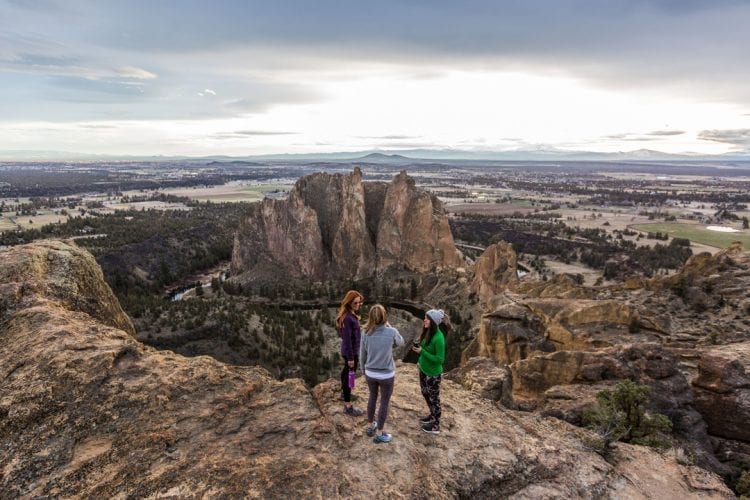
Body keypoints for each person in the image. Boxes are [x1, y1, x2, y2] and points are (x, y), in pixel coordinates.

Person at [359, 304, 404, 444]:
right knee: (384, 401)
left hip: (370, 372)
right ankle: (379, 434)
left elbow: (362, 355)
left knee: (372, 397)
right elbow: (401, 343)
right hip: (386, 375)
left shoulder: (365, 332)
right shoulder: (391, 332)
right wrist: (389, 328)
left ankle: (370, 425)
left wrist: (363, 370)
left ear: (371, 317)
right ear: (385, 317)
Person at [412, 308, 446, 434]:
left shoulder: (439, 338)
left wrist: (422, 352)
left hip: (433, 374)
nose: (424, 320)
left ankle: (436, 426)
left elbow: (439, 359)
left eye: (426, 318)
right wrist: (419, 353)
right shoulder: (427, 332)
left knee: (434, 399)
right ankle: (432, 416)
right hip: (424, 370)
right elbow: (425, 349)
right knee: (425, 393)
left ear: (433, 321)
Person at [336, 290, 364, 416]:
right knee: (350, 376)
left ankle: (345, 393)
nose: (358, 304)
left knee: (346, 372)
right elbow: (347, 339)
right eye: (355, 302)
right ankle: (348, 405)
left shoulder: (349, 314)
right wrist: (351, 358)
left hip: (349, 351)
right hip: (350, 353)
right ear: (349, 302)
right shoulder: (348, 318)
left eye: (359, 302)